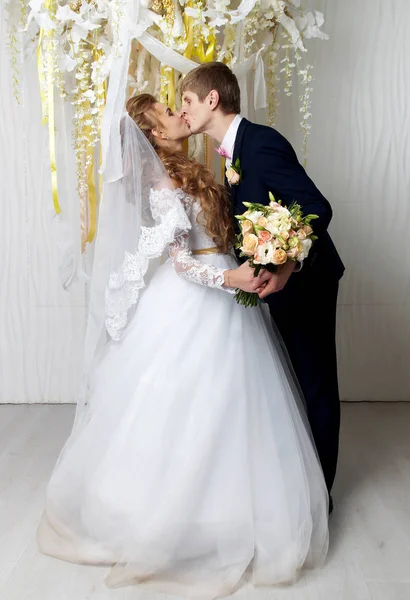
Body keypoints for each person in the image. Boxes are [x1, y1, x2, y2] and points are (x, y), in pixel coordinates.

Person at [37, 93, 329, 599]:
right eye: (167, 115)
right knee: (188, 402)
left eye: (180, 106)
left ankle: (233, 506)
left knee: (236, 401)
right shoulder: (161, 182)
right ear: (153, 136)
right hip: (199, 292)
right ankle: (175, 517)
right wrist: (231, 279)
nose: (178, 115)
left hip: (228, 278)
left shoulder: (192, 168)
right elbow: (180, 262)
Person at [181, 63, 345, 506]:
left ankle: (320, 501)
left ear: (211, 99)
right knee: (294, 382)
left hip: (306, 280)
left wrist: (288, 267)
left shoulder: (262, 142)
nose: (183, 112)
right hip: (278, 283)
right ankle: (303, 484)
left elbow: (316, 206)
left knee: (315, 385)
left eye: (188, 102)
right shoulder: (233, 154)